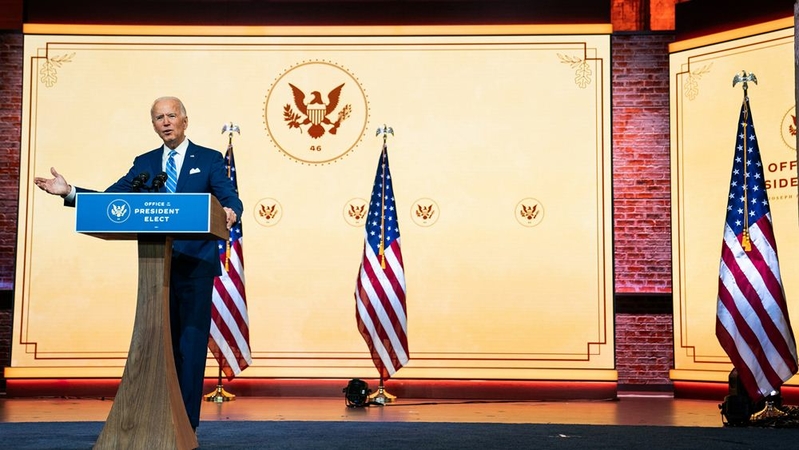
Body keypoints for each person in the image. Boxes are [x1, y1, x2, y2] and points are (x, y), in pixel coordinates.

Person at [34, 96, 244, 431]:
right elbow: (112, 201)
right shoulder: (145, 163)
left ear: (185, 121)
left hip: (195, 267)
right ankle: (155, 419)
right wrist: (70, 192)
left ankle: (185, 426)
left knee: (188, 349)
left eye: (171, 115)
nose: (165, 122)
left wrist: (231, 211)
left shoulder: (208, 159)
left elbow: (229, 198)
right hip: (155, 268)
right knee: (157, 347)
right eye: (159, 117)